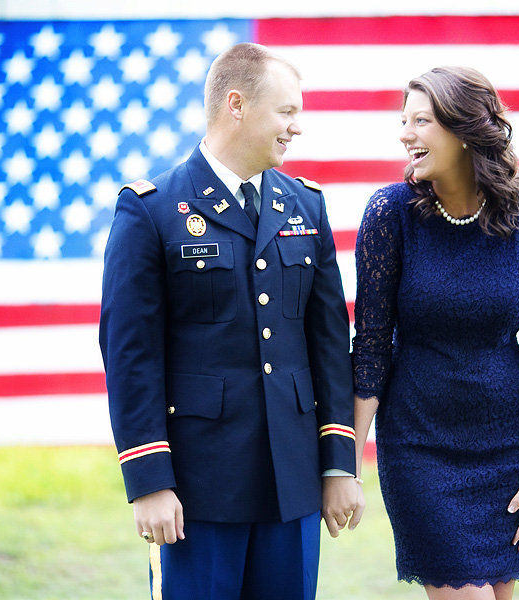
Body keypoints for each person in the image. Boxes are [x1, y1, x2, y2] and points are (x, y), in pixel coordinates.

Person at [99, 42, 362, 600]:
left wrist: (339, 465)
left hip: (291, 486)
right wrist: (149, 480)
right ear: (236, 105)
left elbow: (330, 348)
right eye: (286, 112)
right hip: (198, 490)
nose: (297, 127)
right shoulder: (151, 209)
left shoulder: (306, 207)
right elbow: (131, 355)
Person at [351, 66, 519, 600]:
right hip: (420, 446)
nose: (405, 133)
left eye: (420, 120)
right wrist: (347, 461)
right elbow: (371, 345)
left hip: (509, 447)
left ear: (464, 129)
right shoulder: (390, 214)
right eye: (404, 120)